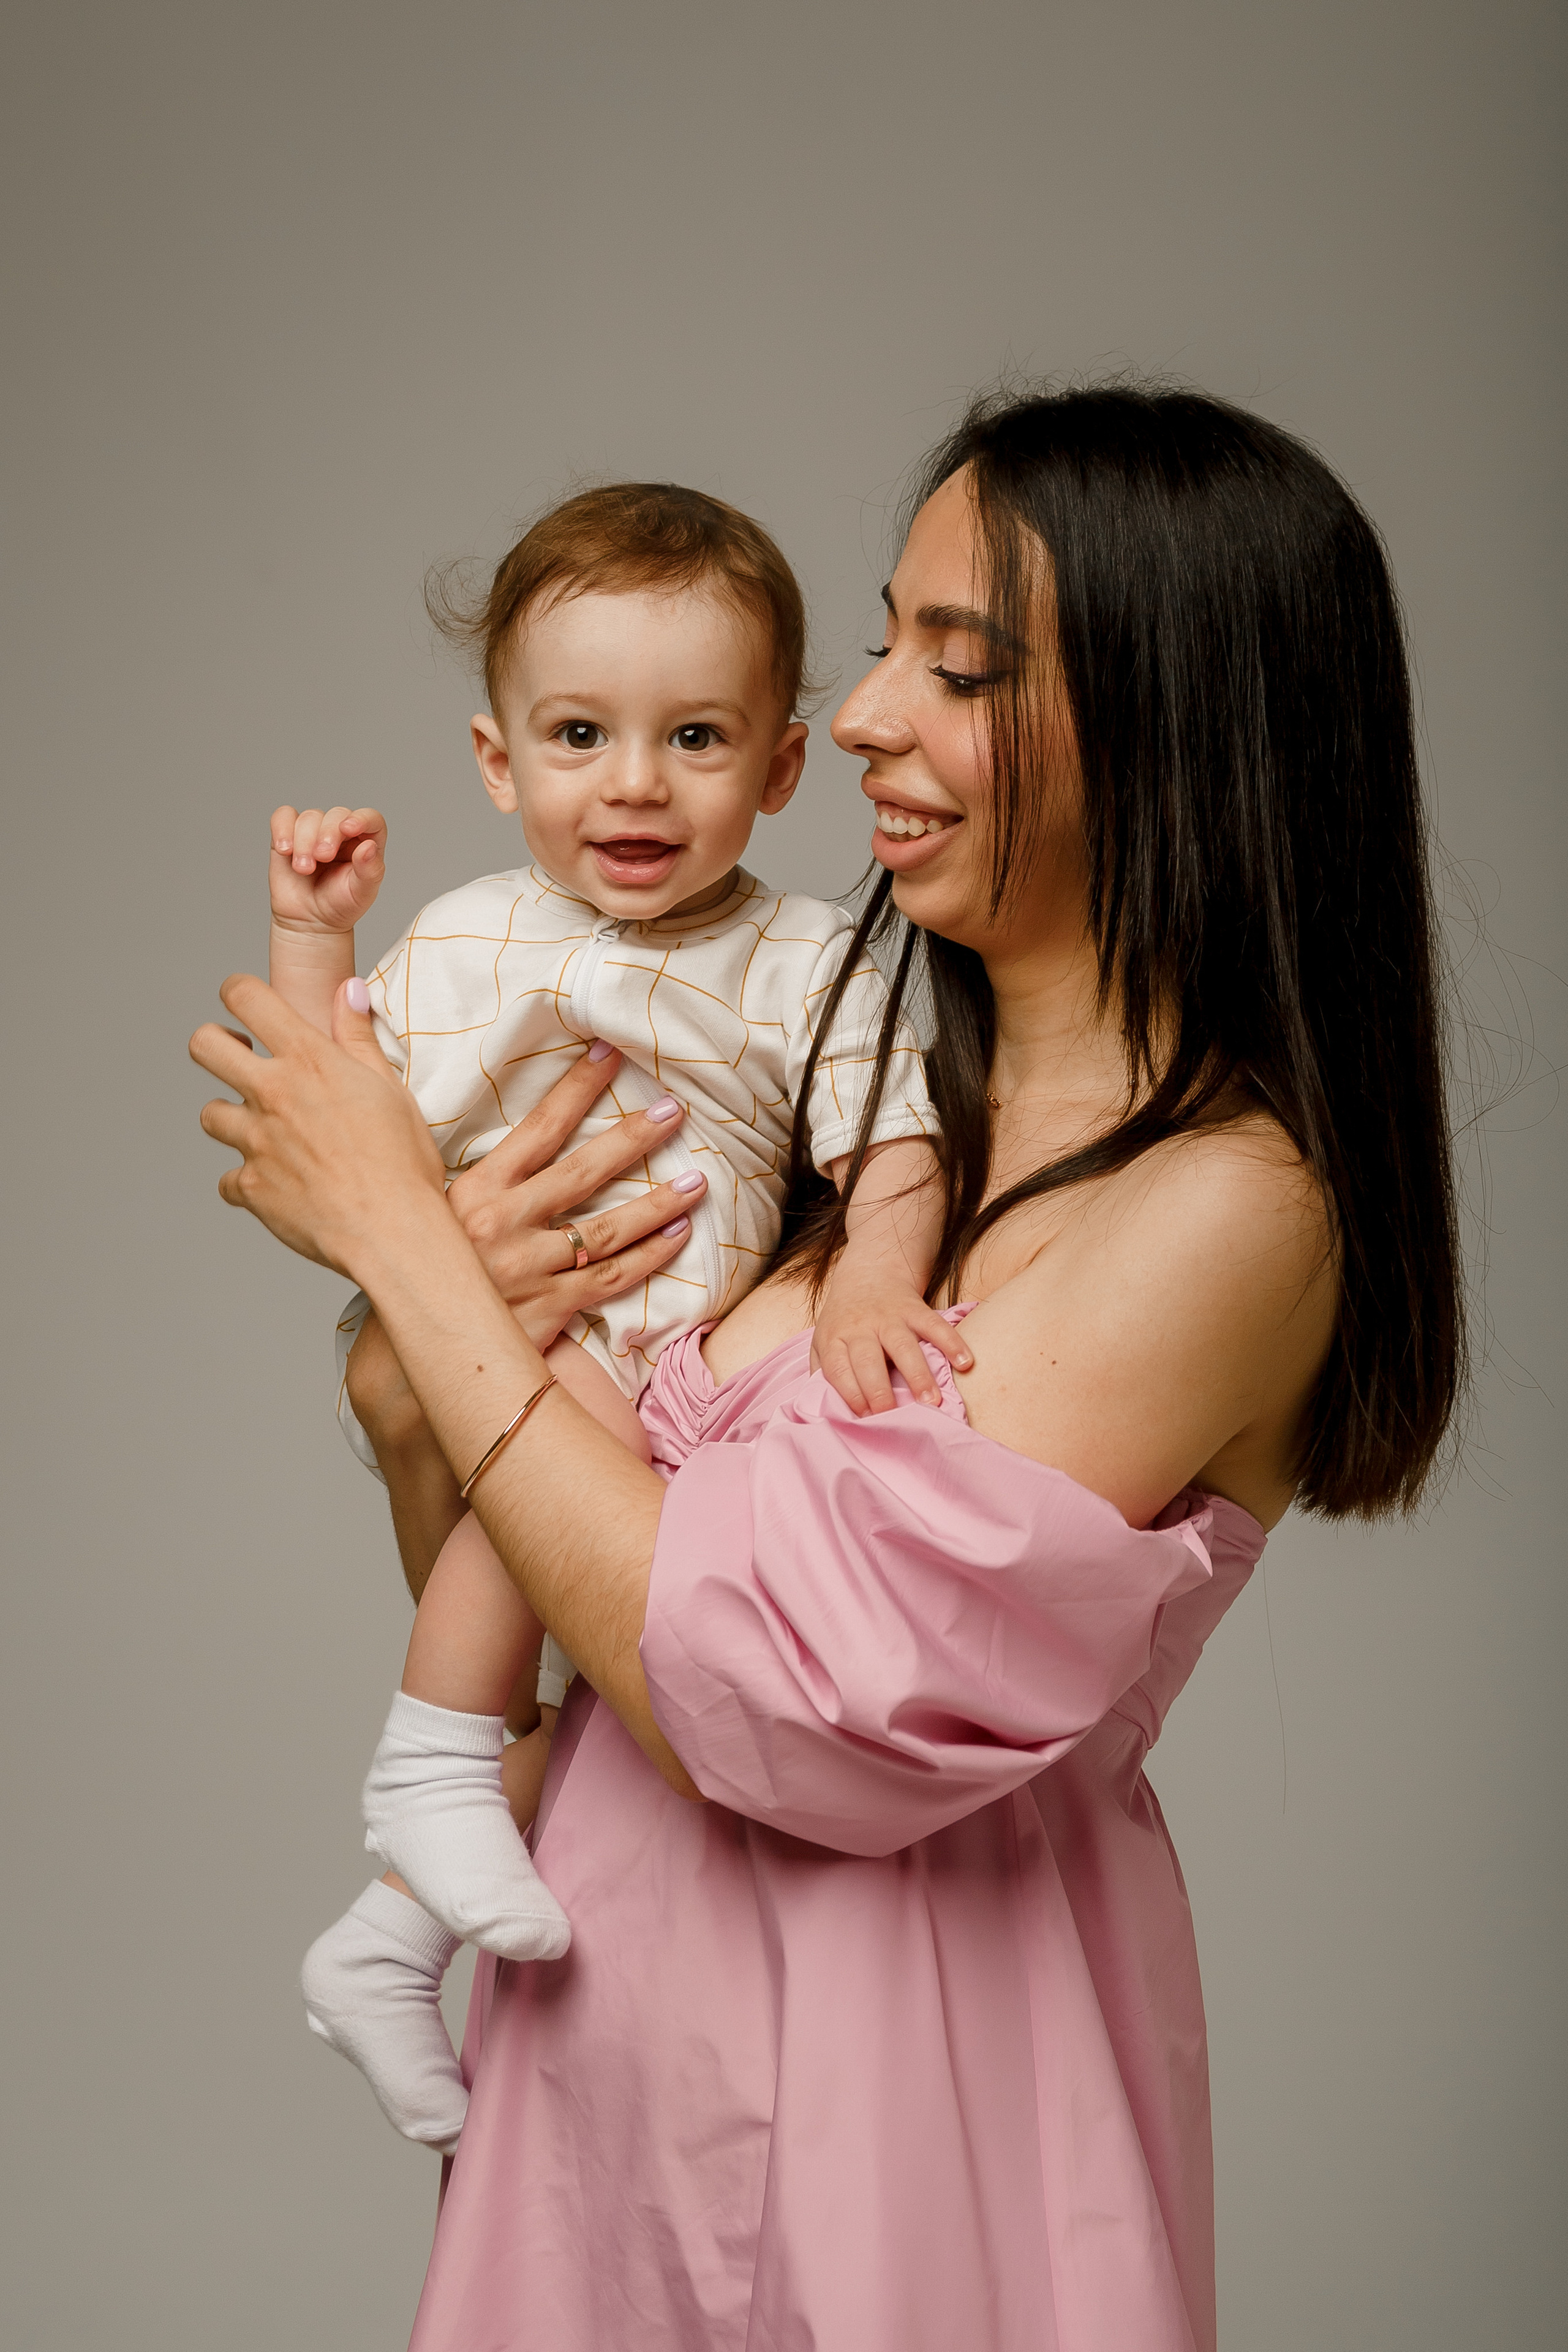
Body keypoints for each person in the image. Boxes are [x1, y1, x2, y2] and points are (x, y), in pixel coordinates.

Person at [192, 383, 1463, 2352]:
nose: (859, 717)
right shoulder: (810, 1094)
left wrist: (398, 1254)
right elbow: (569, 1666)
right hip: (598, 2060)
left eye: (954, 669)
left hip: (918, 2125)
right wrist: (406, 1395)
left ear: (1179, 718)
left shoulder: (1228, 1204)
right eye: (886, 642)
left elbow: (772, 1700)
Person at [266, 483, 960, 2156]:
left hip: (695, 1412)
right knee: (535, 1503)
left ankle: (390, 1932)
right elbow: (332, 1116)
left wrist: (875, 1272)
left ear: (783, 769)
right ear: (499, 765)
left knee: (588, 1744)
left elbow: (898, 1144)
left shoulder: (810, 958)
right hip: (547, 1337)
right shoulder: (472, 938)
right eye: (579, 734)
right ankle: (425, 1796)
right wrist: (311, 938)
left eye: (697, 737)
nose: (634, 782)